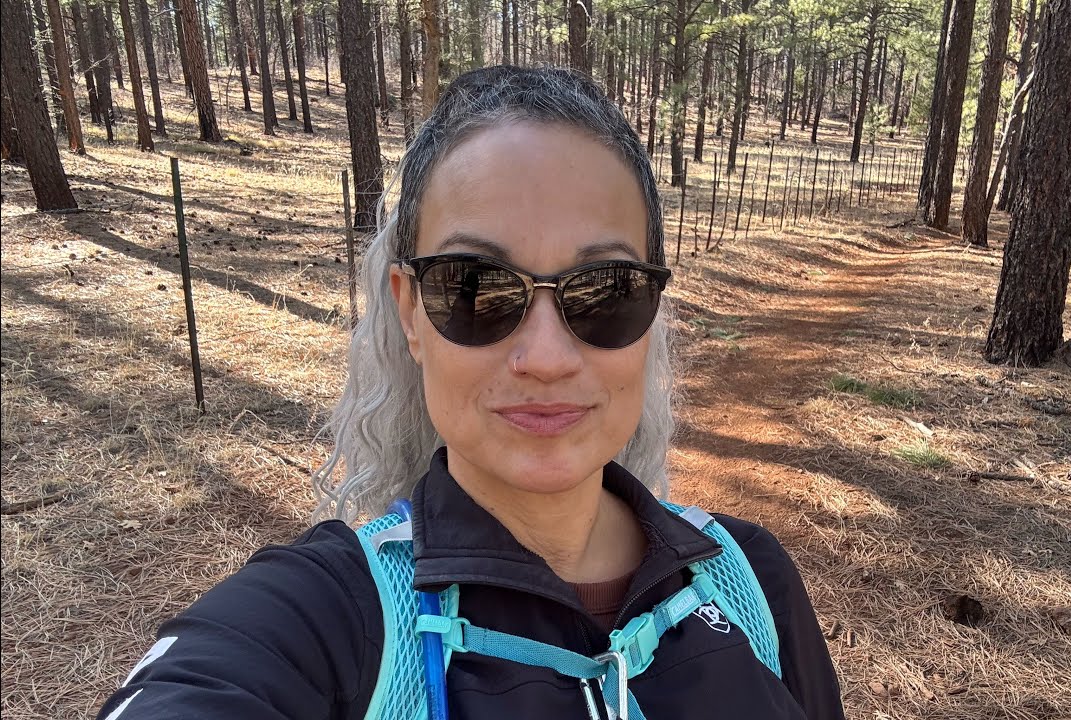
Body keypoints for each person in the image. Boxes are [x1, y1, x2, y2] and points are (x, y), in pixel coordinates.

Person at [96, 66, 843, 720]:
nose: (547, 358)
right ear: (410, 311)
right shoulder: (331, 623)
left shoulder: (750, 579)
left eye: (605, 289)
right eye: (477, 288)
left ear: (652, 309)